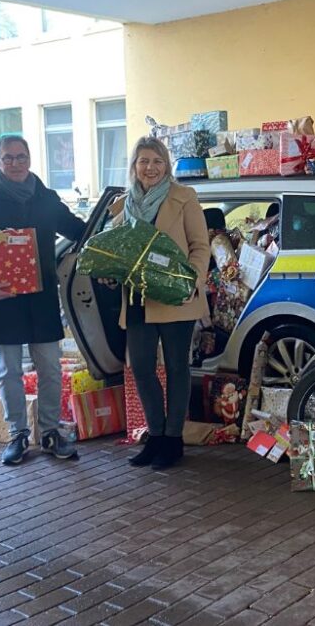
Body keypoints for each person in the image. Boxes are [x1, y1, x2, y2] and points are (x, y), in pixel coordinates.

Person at [0, 134, 85, 465]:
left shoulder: (45, 198)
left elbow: (77, 230)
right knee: (8, 372)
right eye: (8, 158)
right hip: (0, 299)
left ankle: (50, 432)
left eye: (21, 157)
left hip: (40, 299)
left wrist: (111, 227)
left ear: (29, 159)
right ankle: (17, 435)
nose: (15, 163)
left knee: (51, 369)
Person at [108, 136, 210, 470]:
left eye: (157, 161)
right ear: (134, 166)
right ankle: (155, 435)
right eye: (143, 161)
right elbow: (117, 251)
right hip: (138, 298)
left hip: (175, 296)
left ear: (166, 165)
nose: (150, 168)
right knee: (141, 367)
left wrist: (191, 281)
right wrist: (110, 271)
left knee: (177, 368)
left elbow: (200, 246)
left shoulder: (183, 197)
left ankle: (173, 439)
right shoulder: (124, 205)